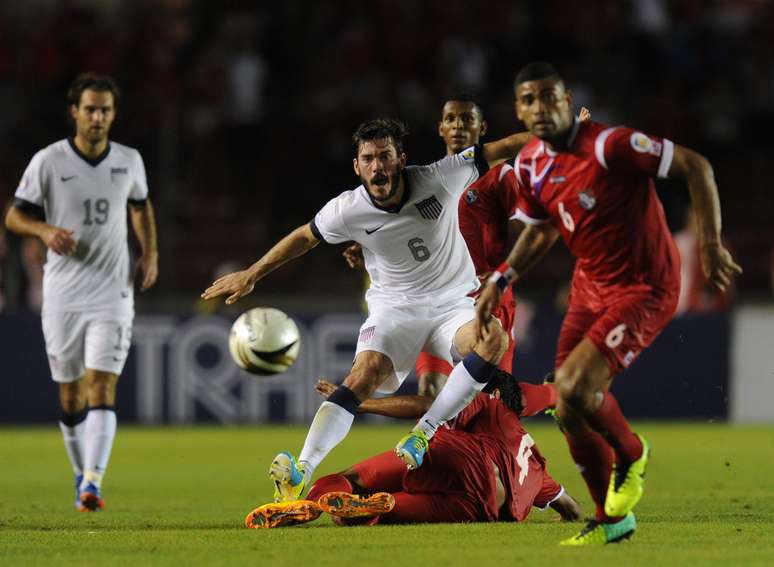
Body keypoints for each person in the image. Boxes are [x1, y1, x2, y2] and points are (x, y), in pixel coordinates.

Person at [476, 62, 742, 545]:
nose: (540, 107)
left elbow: (695, 166)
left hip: (645, 286)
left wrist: (709, 245)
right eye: (529, 99)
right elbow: (540, 230)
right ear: (518, 109)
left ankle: (632, 452)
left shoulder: (609, 144)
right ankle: (612, 519)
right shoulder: (533, 161)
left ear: (567, 99)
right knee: (568, 405)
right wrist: (503, 275)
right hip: (589, 286)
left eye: (549, 96)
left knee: (576, 386)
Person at [202, 117, 533, 501]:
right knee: (361, 377)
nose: (378, 166)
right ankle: (301, 471)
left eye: (385, 156)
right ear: (357, 167)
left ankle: (423, 433)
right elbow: (304, 238)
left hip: (451, 306)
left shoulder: (440, 177)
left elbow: (506, 145)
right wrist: (253, 274)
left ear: (400, 159)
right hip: (395, 309)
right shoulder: (347, 210)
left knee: (492, 338)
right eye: (369, 158)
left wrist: (564, 138)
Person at [342, 95, 591, 398]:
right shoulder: (428, 180)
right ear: (440, 129)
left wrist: (504, 273)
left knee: (495, 399)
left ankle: (553, 395)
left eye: (467, 120)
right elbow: (399, 229)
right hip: (434, 299)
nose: (458, 126)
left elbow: (533, 230)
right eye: (451, 119)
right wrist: (365, 245)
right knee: (431, 391)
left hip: (488, 298)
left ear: (482, 128)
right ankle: (421, 441)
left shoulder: (500, 176)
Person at [5, 73, 159, 512]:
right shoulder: (49, 161)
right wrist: (43, 229)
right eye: (90, 109)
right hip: (63, 295)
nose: (97, 117)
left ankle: (93, 481)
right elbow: (14, 217)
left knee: (101, 385)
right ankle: (80, 473)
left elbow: (140, 205)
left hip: (112, 292)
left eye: (105, 110)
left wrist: (150, 253)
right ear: (75, 112)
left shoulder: (129, 160)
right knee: (70, 395)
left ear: (113, 114)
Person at [245, 370, 583, 528]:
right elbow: (572, 508)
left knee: (350, 479)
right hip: (482, 506)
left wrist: (362, 405)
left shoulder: (490, 406)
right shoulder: (539, 467)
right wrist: (561, 518)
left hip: (467, 459)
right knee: (372, 512)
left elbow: (427, 404)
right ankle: (374, 508)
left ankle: (307, 501)